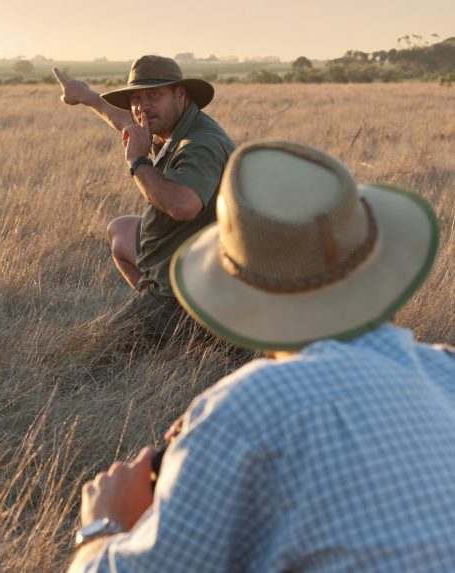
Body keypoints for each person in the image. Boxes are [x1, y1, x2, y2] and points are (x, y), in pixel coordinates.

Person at [69, 140, 455, 572]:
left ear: (240, 291)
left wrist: (104, 526)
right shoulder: (446, 371)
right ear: (372, 253)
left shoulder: (243, 410)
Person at [53, 56, 235, 347]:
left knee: (92, 353)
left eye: (154, 95)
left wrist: (138, 161)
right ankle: (159, 311)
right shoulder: (175, 128)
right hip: (187, 258)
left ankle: (183, 327)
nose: (142, 106)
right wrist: (87, 97)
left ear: (180, 95)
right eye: (136, 98)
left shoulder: (199, 144)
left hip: (196, 285)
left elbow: (183, 206)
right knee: (121, 230)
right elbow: (126, 121)